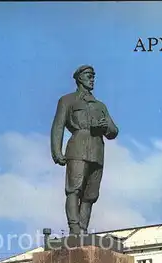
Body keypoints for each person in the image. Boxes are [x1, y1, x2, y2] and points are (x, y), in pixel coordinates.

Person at [51, 65, 119, 235]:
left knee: (91, 194)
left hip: (97, 150)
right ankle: (74, 228)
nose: (92, 79)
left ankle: (83, 229)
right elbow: (58, 127)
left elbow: (114, 131)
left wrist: (105, 127)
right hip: (77, 147)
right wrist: (56, 152)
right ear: (79, 78)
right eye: (89, 75)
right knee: (74, 188)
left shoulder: (100, 105)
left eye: (93, 76)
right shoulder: (67, 100)